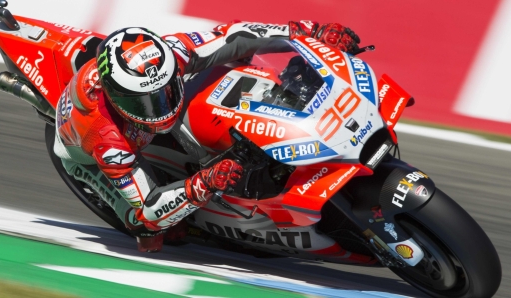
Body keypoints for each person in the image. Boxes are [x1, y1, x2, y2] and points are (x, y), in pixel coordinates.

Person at [53, 20, 361, 252]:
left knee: (231, 68)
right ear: (116, 97)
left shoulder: (170, 53)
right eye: (144, 102)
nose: (159, 106)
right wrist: (205, 183)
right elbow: (149, 207)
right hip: (84, 155)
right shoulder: (105, 138)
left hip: (140, 126)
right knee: (149, 229)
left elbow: (236, 37)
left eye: (166, 90)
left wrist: (307, 34)